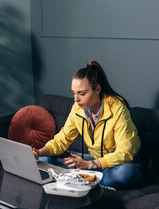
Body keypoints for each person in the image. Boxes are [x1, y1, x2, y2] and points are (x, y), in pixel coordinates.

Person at [33, 60, 142, 189]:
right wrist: (39, 152)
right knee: (45, 160)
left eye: (82, 93)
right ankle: (90, 179)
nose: (76, 99)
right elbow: (62, 140)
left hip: (121, 163)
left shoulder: (118, 109)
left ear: (97, 89)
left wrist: (90, 165)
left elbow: (125, 153)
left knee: (124, 173)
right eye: (74, 93)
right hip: (93, 163)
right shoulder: (78, 108)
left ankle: (78, 178)